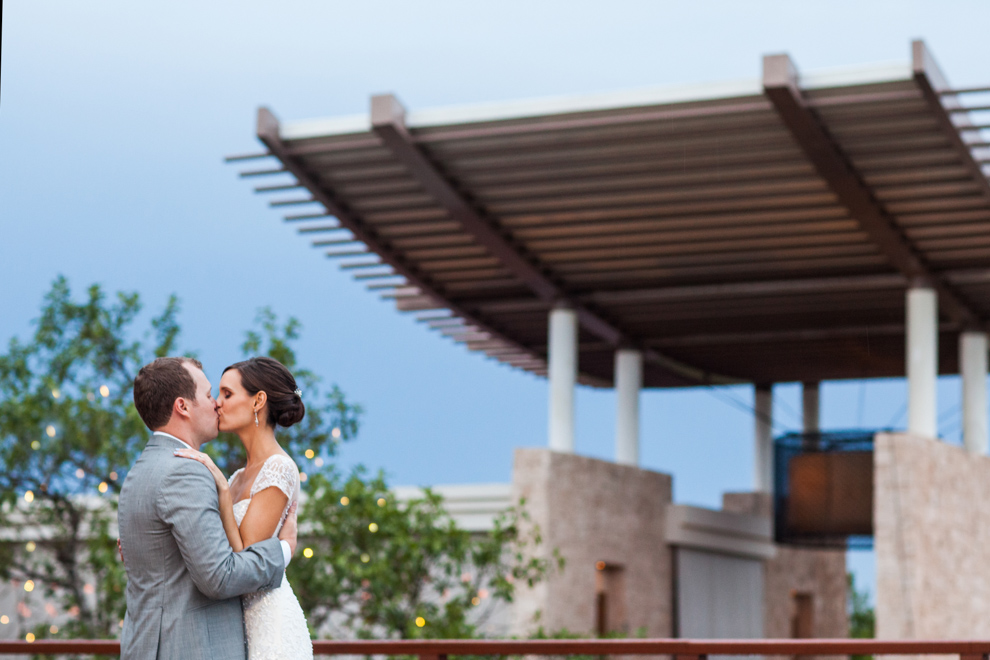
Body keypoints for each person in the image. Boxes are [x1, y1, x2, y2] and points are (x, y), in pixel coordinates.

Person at [119, 356, 298, 660]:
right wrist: (284, 550)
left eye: (225, 395)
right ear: (183, 406)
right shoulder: (185, 471)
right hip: (192, 646)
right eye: (210, 394)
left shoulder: (142, 469)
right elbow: (220, 576)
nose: (216, 404)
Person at [173, 356, 313, 660]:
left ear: (257, 401)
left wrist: (222, 492)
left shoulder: (278, 468)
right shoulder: (239, 477)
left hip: (269, 625)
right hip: (235, 625)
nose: (217, 404)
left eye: (227, 394)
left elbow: (243, 560)